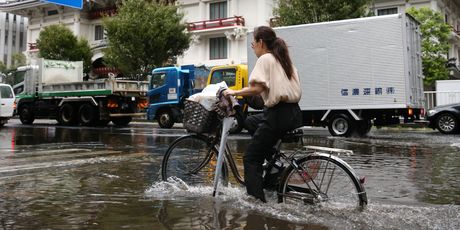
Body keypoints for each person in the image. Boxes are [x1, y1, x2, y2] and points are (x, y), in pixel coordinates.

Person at [224, 26, 303, 202]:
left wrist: (234, 93)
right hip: (293, 113)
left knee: (251, 157)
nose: (252, 46)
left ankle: (256, 203)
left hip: (277, 116)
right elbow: (267, 92)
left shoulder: (265, 58)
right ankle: (274, 163)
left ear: (261, 42)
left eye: (253, 42)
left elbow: (257, 88)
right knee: (251, 122)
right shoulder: (282, 59)